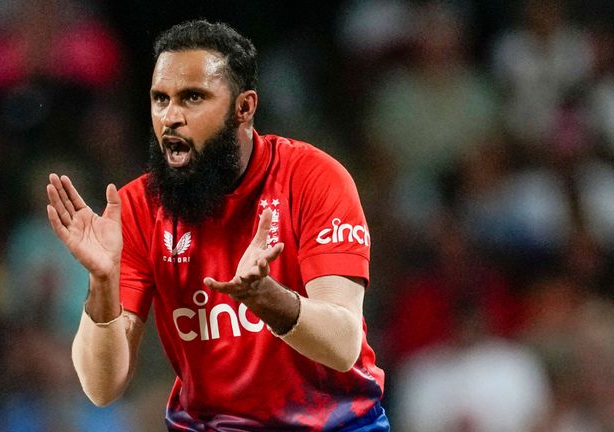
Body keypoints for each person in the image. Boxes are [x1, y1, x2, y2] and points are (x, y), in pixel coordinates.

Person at [45, 19, 388, 431]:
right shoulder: (136, 208)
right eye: (160, 99)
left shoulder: (313, 178)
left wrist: (267, 299)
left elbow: (343, 345)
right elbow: (102, 388)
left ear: (244, 108)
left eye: (192, 97)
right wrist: (102, 283)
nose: (170, 117)